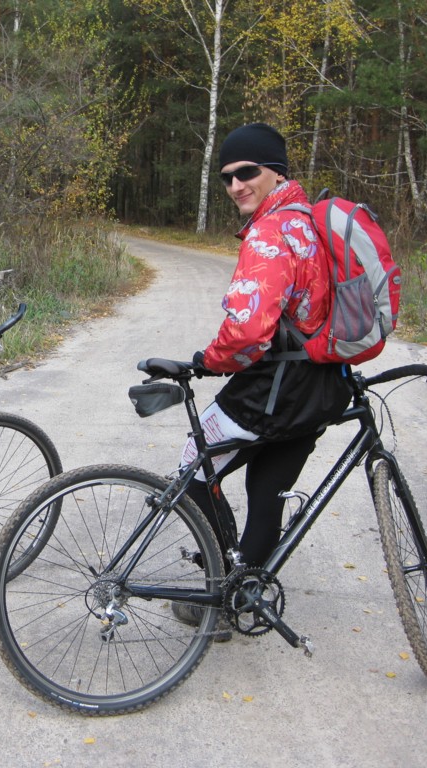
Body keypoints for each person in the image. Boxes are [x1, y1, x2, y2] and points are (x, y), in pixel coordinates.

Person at [175, 123, 352, 631]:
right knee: (267, 487)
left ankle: (221, 592)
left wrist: (210, 360)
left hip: (276, 389)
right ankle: (244, 591)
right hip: (323, 385)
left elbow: (249, 332)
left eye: (247, 172)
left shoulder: (271, 232)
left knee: (191, 471)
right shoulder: (310, 222)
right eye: (226, 177)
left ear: (276, 171)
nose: (236, 186)